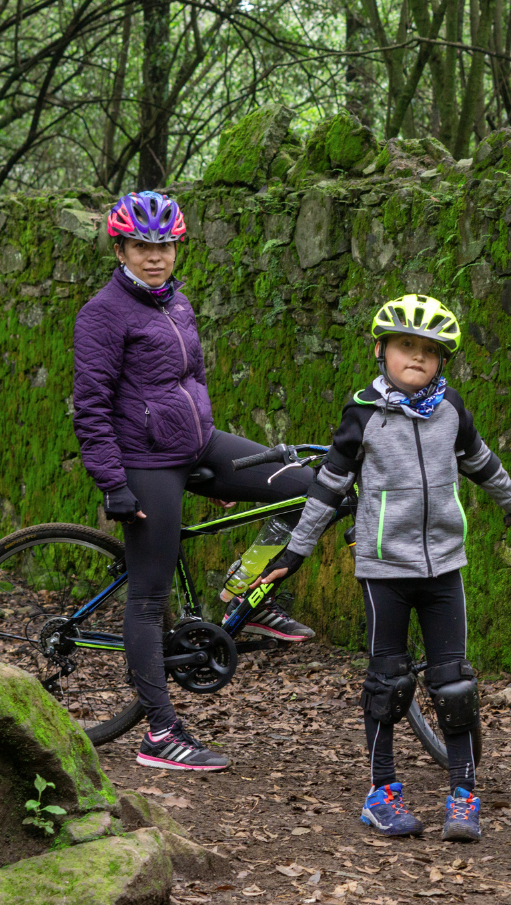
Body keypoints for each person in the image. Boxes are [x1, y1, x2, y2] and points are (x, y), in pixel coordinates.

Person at [252, 294, 511, 840]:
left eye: (430, 351)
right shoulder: (361, 413)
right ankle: (381, 793)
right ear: (381, 350)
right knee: (387, 683)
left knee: (453, 684)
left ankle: (462, 796)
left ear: (442, 362)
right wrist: (294, 553)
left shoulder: (451, 408)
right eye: (406, 346)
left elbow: (482, 464)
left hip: (443, 569)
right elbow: (328, 488)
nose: (418, 358)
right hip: (384, 570)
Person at [73, 191, 317, 773]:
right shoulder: (103, 313)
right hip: (145, 462)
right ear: (121, 248)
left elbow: (194, 378)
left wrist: (214, 463)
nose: (155, 257)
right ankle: (159, 733)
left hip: (197, 446)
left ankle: (246, 593)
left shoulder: (176, 304)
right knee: (148, 596)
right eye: (142, 247)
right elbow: (91, 407)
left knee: (307, 487)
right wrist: (113, 483)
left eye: (165, 246)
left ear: (177, 248)